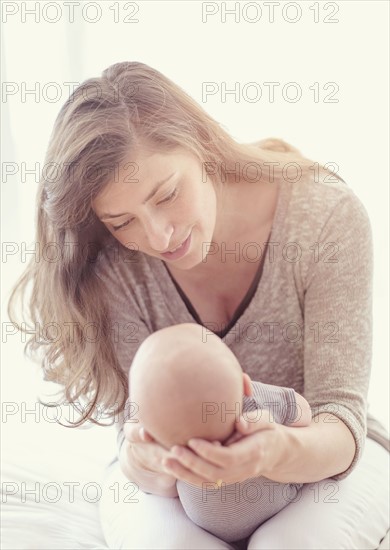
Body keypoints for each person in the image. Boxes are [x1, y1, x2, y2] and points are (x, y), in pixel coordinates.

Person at [7, 61, 389, 550]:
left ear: (201, 147)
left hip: (324, 457)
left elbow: (340, 417)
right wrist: (150, 462)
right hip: (177, 488)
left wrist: (275, 451)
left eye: (167, 194)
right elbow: (134, 439)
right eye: (123, 221)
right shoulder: (114, 264)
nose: (157, 236)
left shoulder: (325, 219)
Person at [128, 322, 312, 542]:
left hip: (206, 526)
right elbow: (302, 412)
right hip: (278, 505)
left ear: (147, 431)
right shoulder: (256, 403)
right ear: (246, 384)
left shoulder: (174, 458)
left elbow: (166, 491)